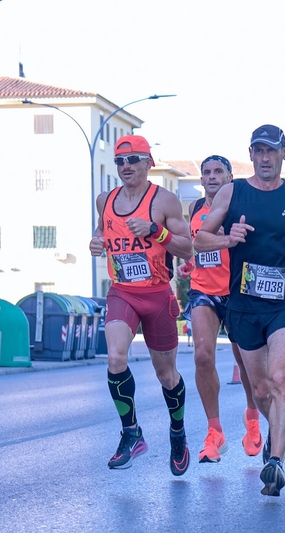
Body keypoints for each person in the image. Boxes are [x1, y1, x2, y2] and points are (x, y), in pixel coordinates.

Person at [193, 124, 285, 497]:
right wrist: (227, 239)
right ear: (250, 154)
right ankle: (273, 437)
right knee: (262, 389)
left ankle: (276, 462)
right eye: (259, 151)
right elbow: (200, 237)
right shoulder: (231, 192)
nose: (266, 157)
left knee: (280, 378)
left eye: (272, 151)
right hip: (245, 304)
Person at [89, 135, 193, 476]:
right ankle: (131, 432)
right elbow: (103, 232)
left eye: (133, 159)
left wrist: (155, 231)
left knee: (166, 374)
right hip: (122, 292)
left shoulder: (165, 201)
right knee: (116, 357)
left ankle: (177, 433)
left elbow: (187, 248)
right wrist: (96, 242)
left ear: (148, 162)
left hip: (158, 295)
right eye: (120, 161)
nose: (126, 167)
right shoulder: (105, 200)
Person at [177, 154, 262, 464]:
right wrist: (187, 265)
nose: (212, 177)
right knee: (202, 356)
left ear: (229, 178)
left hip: (237, 292)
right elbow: (194, 246)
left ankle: (252, 418)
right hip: (203, 290)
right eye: (207, 173)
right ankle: (215, 432)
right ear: (201, 180)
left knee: (247, 364)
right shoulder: (195, 209)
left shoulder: (238, 208)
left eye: (218, 172)